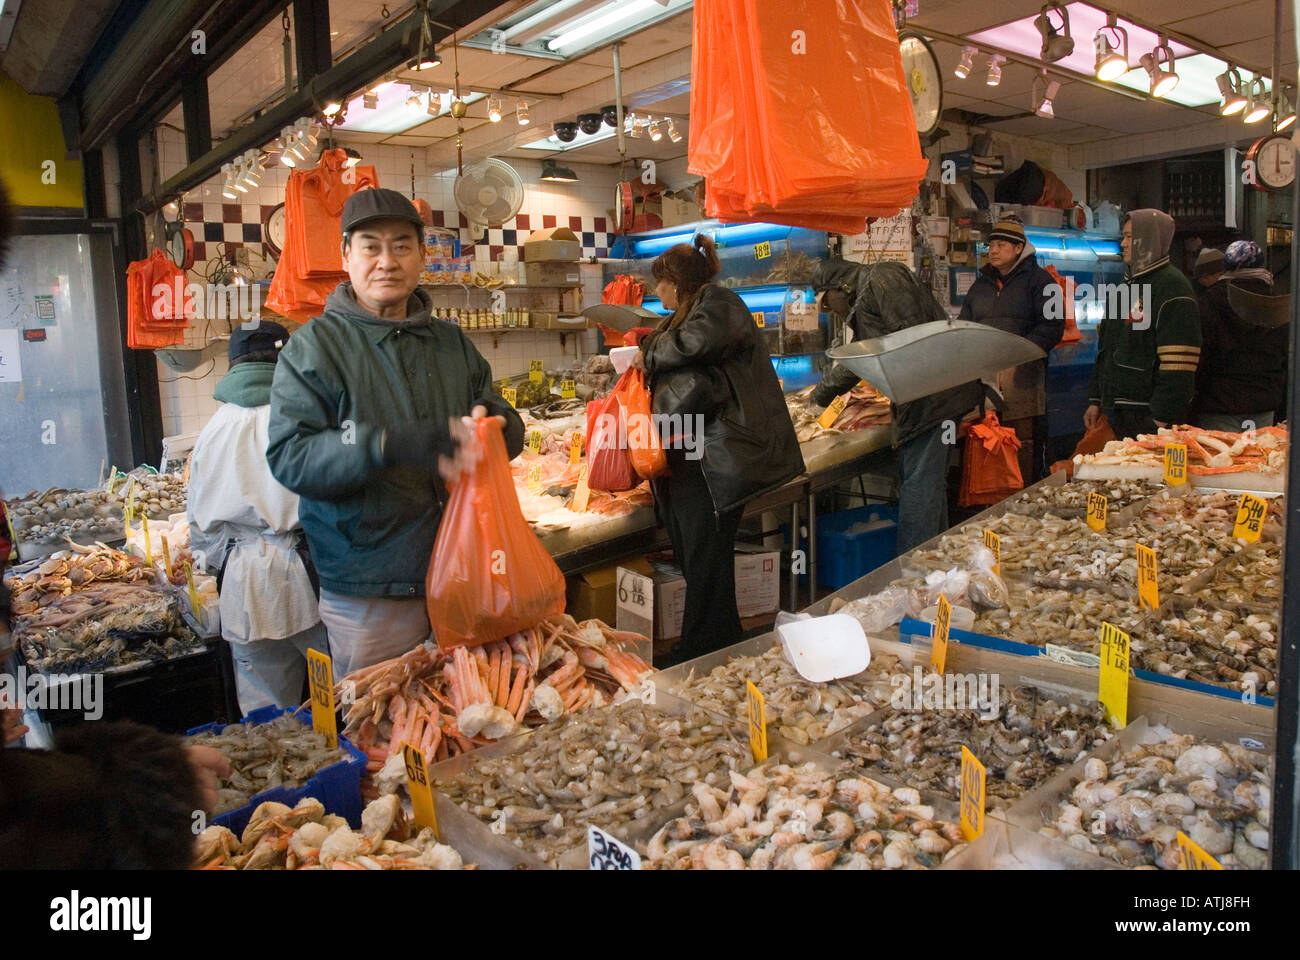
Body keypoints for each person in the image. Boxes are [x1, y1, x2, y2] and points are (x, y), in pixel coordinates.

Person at [267, 188, 524, 678]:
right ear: (346, 255)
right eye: (371, 246)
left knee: (470, 716)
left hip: (466, 571)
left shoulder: (450, 343)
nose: (387, 261)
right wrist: (384, 444)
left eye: (402, 246)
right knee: (382, 727)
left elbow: (499, 416)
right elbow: (291, 456)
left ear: (422, 255)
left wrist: (499, 428)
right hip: (371, 586)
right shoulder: (314, 347)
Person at [638, 235, 804, 661]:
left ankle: (700, 648)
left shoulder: (720, 303)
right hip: (691, 451)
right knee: (698, 556)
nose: (657, 293)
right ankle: (722, 639)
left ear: (678, 282)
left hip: (717, 457)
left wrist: (648, 350)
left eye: (661, 283)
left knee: (706, 555)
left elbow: (695, 345)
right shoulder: (689, 314)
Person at [188, 321, 327, 713]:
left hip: (241, 582)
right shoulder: (305, 418)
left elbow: (200, 531)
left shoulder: (213, 431)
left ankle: (275, 774)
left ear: (233, 367)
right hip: (309, 570)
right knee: (333, 697)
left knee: (264, 707)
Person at [811, 258, 983, 552]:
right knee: (925, 484)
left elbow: (902, 343)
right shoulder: (868, 290)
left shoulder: (881, 278)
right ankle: (933, 562)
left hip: (932, 397)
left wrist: (820, 395)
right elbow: (871, 350)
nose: (832, 312)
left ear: (839, 287)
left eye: (828, 304)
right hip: (929, 396)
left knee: (919, 486)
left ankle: (912, 571)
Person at [957, 214, 1062, 482]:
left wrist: (1019, 356)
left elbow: (1052, 328)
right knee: (987, 446)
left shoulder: (1042, 282)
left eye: (1002, 245)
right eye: (991, 245)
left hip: (1024, 381)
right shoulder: (979, 286)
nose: (993, 250)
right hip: (983, 383)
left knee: (1023, 447)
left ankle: (1028, 505)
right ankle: (989, 505)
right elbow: (965, 327)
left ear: (1018, 248)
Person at [1085, 210, 1201, 439]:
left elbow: (1180, 365)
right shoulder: (1126, 287)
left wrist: (1160, 418)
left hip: (1150, 416)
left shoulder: (1172, 287)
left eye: (1129, 237)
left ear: (1148, 239)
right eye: (1123, 237)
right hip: (1118, 412)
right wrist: (1096, 400)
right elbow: (1106, 350)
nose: (1123, 244)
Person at [1192, 240, 1286, 433]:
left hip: (1218, 405)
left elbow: (1201, 358)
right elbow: (1285, 356)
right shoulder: (1277, 304)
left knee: (1220, 459)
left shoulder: (1208, 303)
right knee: (1259, 460)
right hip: (1264, 403)